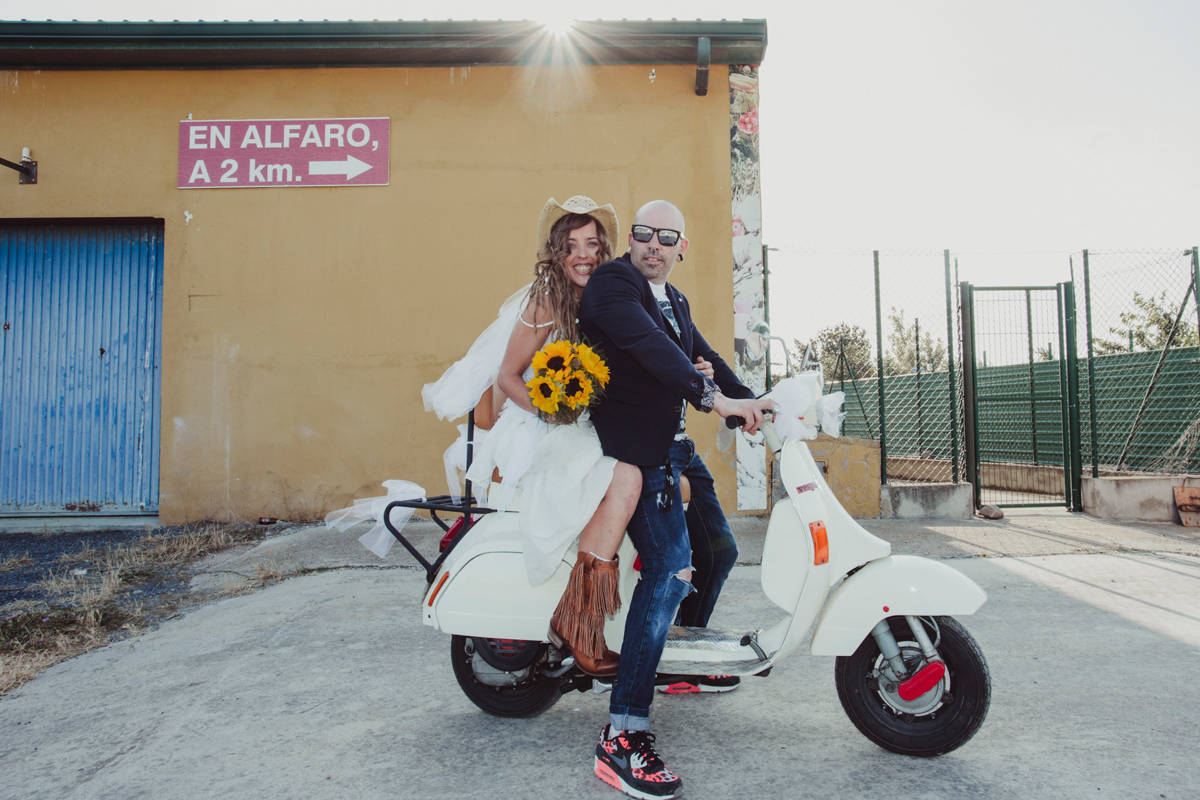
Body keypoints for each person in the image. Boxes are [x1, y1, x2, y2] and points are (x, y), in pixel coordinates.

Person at [579, 200, 774, 800]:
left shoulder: (677, 300)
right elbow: (653, 351)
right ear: (631, 241)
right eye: (644, 234)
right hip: (639, 451)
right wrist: (715, 401)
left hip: (678, 448)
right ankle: (623, 733)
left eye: (667, 237)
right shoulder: (616, 284)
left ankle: (670, 660)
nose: (654, 246)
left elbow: (706, 356)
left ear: (682, 246)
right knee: (668, 569)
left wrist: (756, 403)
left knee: (719, 552)